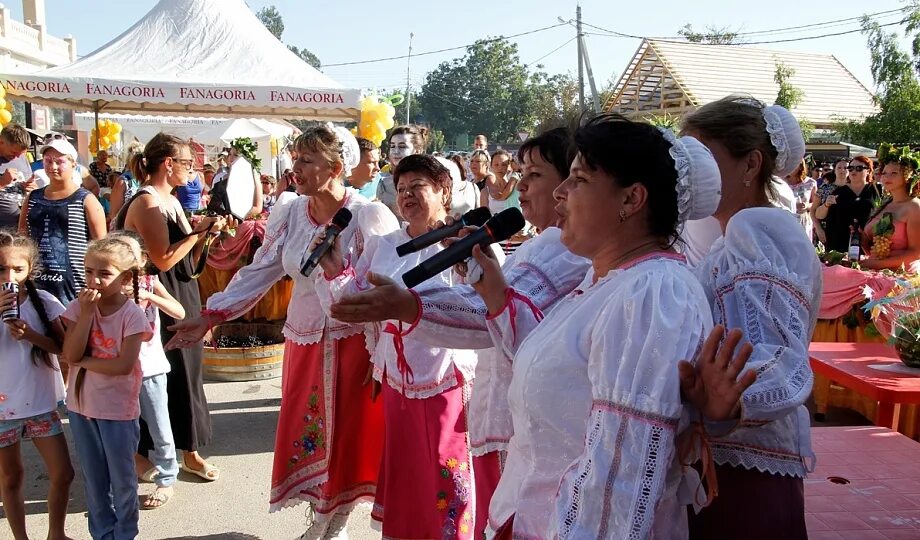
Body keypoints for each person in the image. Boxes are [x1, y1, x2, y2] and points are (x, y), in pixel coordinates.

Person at [467, 115, 725, 538]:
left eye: (579, 179)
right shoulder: (604, 281)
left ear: (632, 199)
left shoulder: (652, 292)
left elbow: (620, 473)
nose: (560, 193)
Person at [166, 125, 398, 539]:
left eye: (307, 161)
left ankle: (334, 524)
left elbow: (382, 292)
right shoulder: (291, 210)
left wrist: (381, 355)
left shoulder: (368, 215)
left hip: (354, 344)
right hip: (306, 338)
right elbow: (261, 270)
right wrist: (210, 315)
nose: (297, 168)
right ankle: (323, 521)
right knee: (309, 436)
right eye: (297, 159)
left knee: (346, 438)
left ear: (336, 167)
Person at [314, 154, 503, 539]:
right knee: (408, 475)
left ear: (444, 191)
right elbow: (355, 302)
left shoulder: (467, 242)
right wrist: (335, 268)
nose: (406, 196)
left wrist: (468, 265)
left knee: (445, 474)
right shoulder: (384, 245)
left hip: (445, 379)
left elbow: (491, 306)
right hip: (397, 381)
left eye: (417, 186)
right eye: (401, 189)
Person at [680, 96, 821, 539]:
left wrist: (732, 400)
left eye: (704, 158)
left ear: (750, 164)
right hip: (727, 459)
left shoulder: (757, 229)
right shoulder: (731, 238)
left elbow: (782, 357)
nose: (692, 173)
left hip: (744, 467)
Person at [115, 133, 229, 484]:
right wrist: (198, 233)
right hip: (156, 298)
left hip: (182, 292)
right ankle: (157, 452)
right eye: (187, 164)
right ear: (168, 164)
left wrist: (205, 235)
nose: (192, 171)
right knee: (167, 376)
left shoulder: (171, 199)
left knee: (188, 373)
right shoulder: (148, 203)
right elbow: (163, 259)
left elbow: (186, 258)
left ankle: (187, 450)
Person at [60, 235, 152, 540]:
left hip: (117, 411)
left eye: (104, 273)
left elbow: (122, 366)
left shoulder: (132, 315)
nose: (94, 280)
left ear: (125, 278)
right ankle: (101, 534)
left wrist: (84, 361)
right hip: (80, 408)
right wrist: (86, 314)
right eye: (88, 272)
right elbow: (69, 354)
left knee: (122, 479)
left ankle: (125, 533)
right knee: (94, 478)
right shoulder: (79, 307)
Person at [0, 231, 74, 540]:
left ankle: (55, 533)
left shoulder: (44, 301)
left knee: (63, 472)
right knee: (11, 476)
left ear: (30, 269)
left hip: (40, 403)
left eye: (18, 269)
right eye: (2, 269)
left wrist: (29, 335)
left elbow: (65, 348)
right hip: (3, 409)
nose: (10, 277)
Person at [106, 231, 185, 511]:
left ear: (142, 258)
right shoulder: (106, 286)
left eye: (132, 255)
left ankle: (166, 479)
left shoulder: (151, 281)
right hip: (117, 371)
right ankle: (126, 477)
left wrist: (151, 295)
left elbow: (180, 312)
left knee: (160, 425)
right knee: (121, 429)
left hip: (151, 368)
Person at [19, 139, 107, 305]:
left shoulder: (86, 199)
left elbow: (101, 247)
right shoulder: (32, 198)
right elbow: (22, 238)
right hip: (36, 283)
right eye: (48, 161)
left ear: (73, 164)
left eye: (59, 162)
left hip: (74, 287)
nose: (52, 167)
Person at [862, 144, 920, 272]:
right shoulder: (885, 204)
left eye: (894, 173)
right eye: (884, 173)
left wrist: (873, 264)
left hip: (901, 274)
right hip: (874, 270)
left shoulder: (914, 207)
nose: (887, 177)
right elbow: (872, 246)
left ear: (908, 176)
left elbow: (916, 253)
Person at [815, 155, 880, 252]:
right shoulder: (839, 191)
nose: (853, 171)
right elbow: (818, 215)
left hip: (869, 244)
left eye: (859, 168)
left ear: (869, 171)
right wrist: (826, 205)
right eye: (851, 168)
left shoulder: (876, 191)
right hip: (840, 244)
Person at [377, 125, 428, 219]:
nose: (395, 151)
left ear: (417, 151)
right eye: (392, 146)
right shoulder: (380, 181)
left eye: (402, 147)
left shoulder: (429, 181)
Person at [0, 124, 36, 230]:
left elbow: (28, 186)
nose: (17, 157)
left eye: (21, 154)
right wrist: (2, 183)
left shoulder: (21, 158)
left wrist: (31, 187)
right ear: (1, 141)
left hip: (19, 229)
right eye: (14, 152)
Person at [812, 158, 849, 244]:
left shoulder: (853, 188)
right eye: (839, 167)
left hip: (847, 231)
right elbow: (813, 210)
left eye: (845, 168)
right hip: (826, 231)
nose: (842, 170)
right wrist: (818, 229)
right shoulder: (824, 188)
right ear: (834, 170)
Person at [783, 159, 817, 241]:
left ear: (801, 166)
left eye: (794, 164)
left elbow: (815, 203)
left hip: (803, 220)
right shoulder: (781, 182)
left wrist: (806, 205)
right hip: (786, 219)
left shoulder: (810, 183)